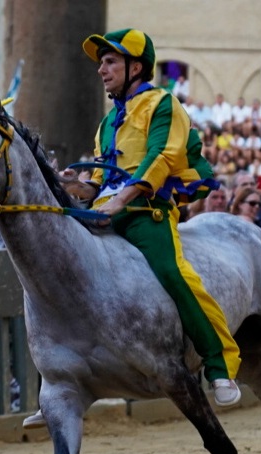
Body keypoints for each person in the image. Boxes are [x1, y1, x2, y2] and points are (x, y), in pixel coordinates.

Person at [70, 29, 242, 408]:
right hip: (107, 212)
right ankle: (61, 378)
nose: (101, 69)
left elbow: (160, 158)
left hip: (147, 214)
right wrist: (78, 186)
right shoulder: (106, 122)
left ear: (136, 66)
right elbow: (99, 178)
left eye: (110, 61)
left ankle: (219, 364)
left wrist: (120, 202)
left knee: (174, 274)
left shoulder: (163, 104)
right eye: (101, 62)